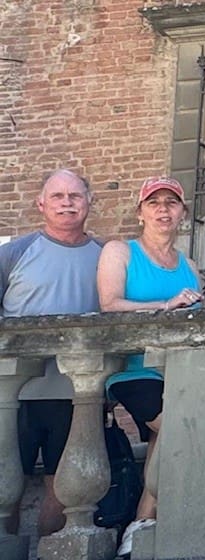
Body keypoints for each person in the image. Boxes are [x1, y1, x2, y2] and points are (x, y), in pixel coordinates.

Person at [97, 176, 204, 558]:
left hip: (181, 371)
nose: (163, 209)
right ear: (140, 211)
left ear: (183, 214)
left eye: (172, 203)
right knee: (176, 430)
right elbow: (109, 304)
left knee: (166, 439)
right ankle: (143, 520)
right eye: (154, 202)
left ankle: (145, 525)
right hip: (135, 370)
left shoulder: (189, 265)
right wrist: (165, 305)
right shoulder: (120, 252)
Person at [0, 169, 101, 538]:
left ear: (90, 203)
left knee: (62, 490)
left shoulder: (106, 257)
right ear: (40, 204)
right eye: (57, 196)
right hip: (14, 393)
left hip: (75, 393)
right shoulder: (14, 254)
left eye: (75, 196)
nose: (67, 203)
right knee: (4, 491)